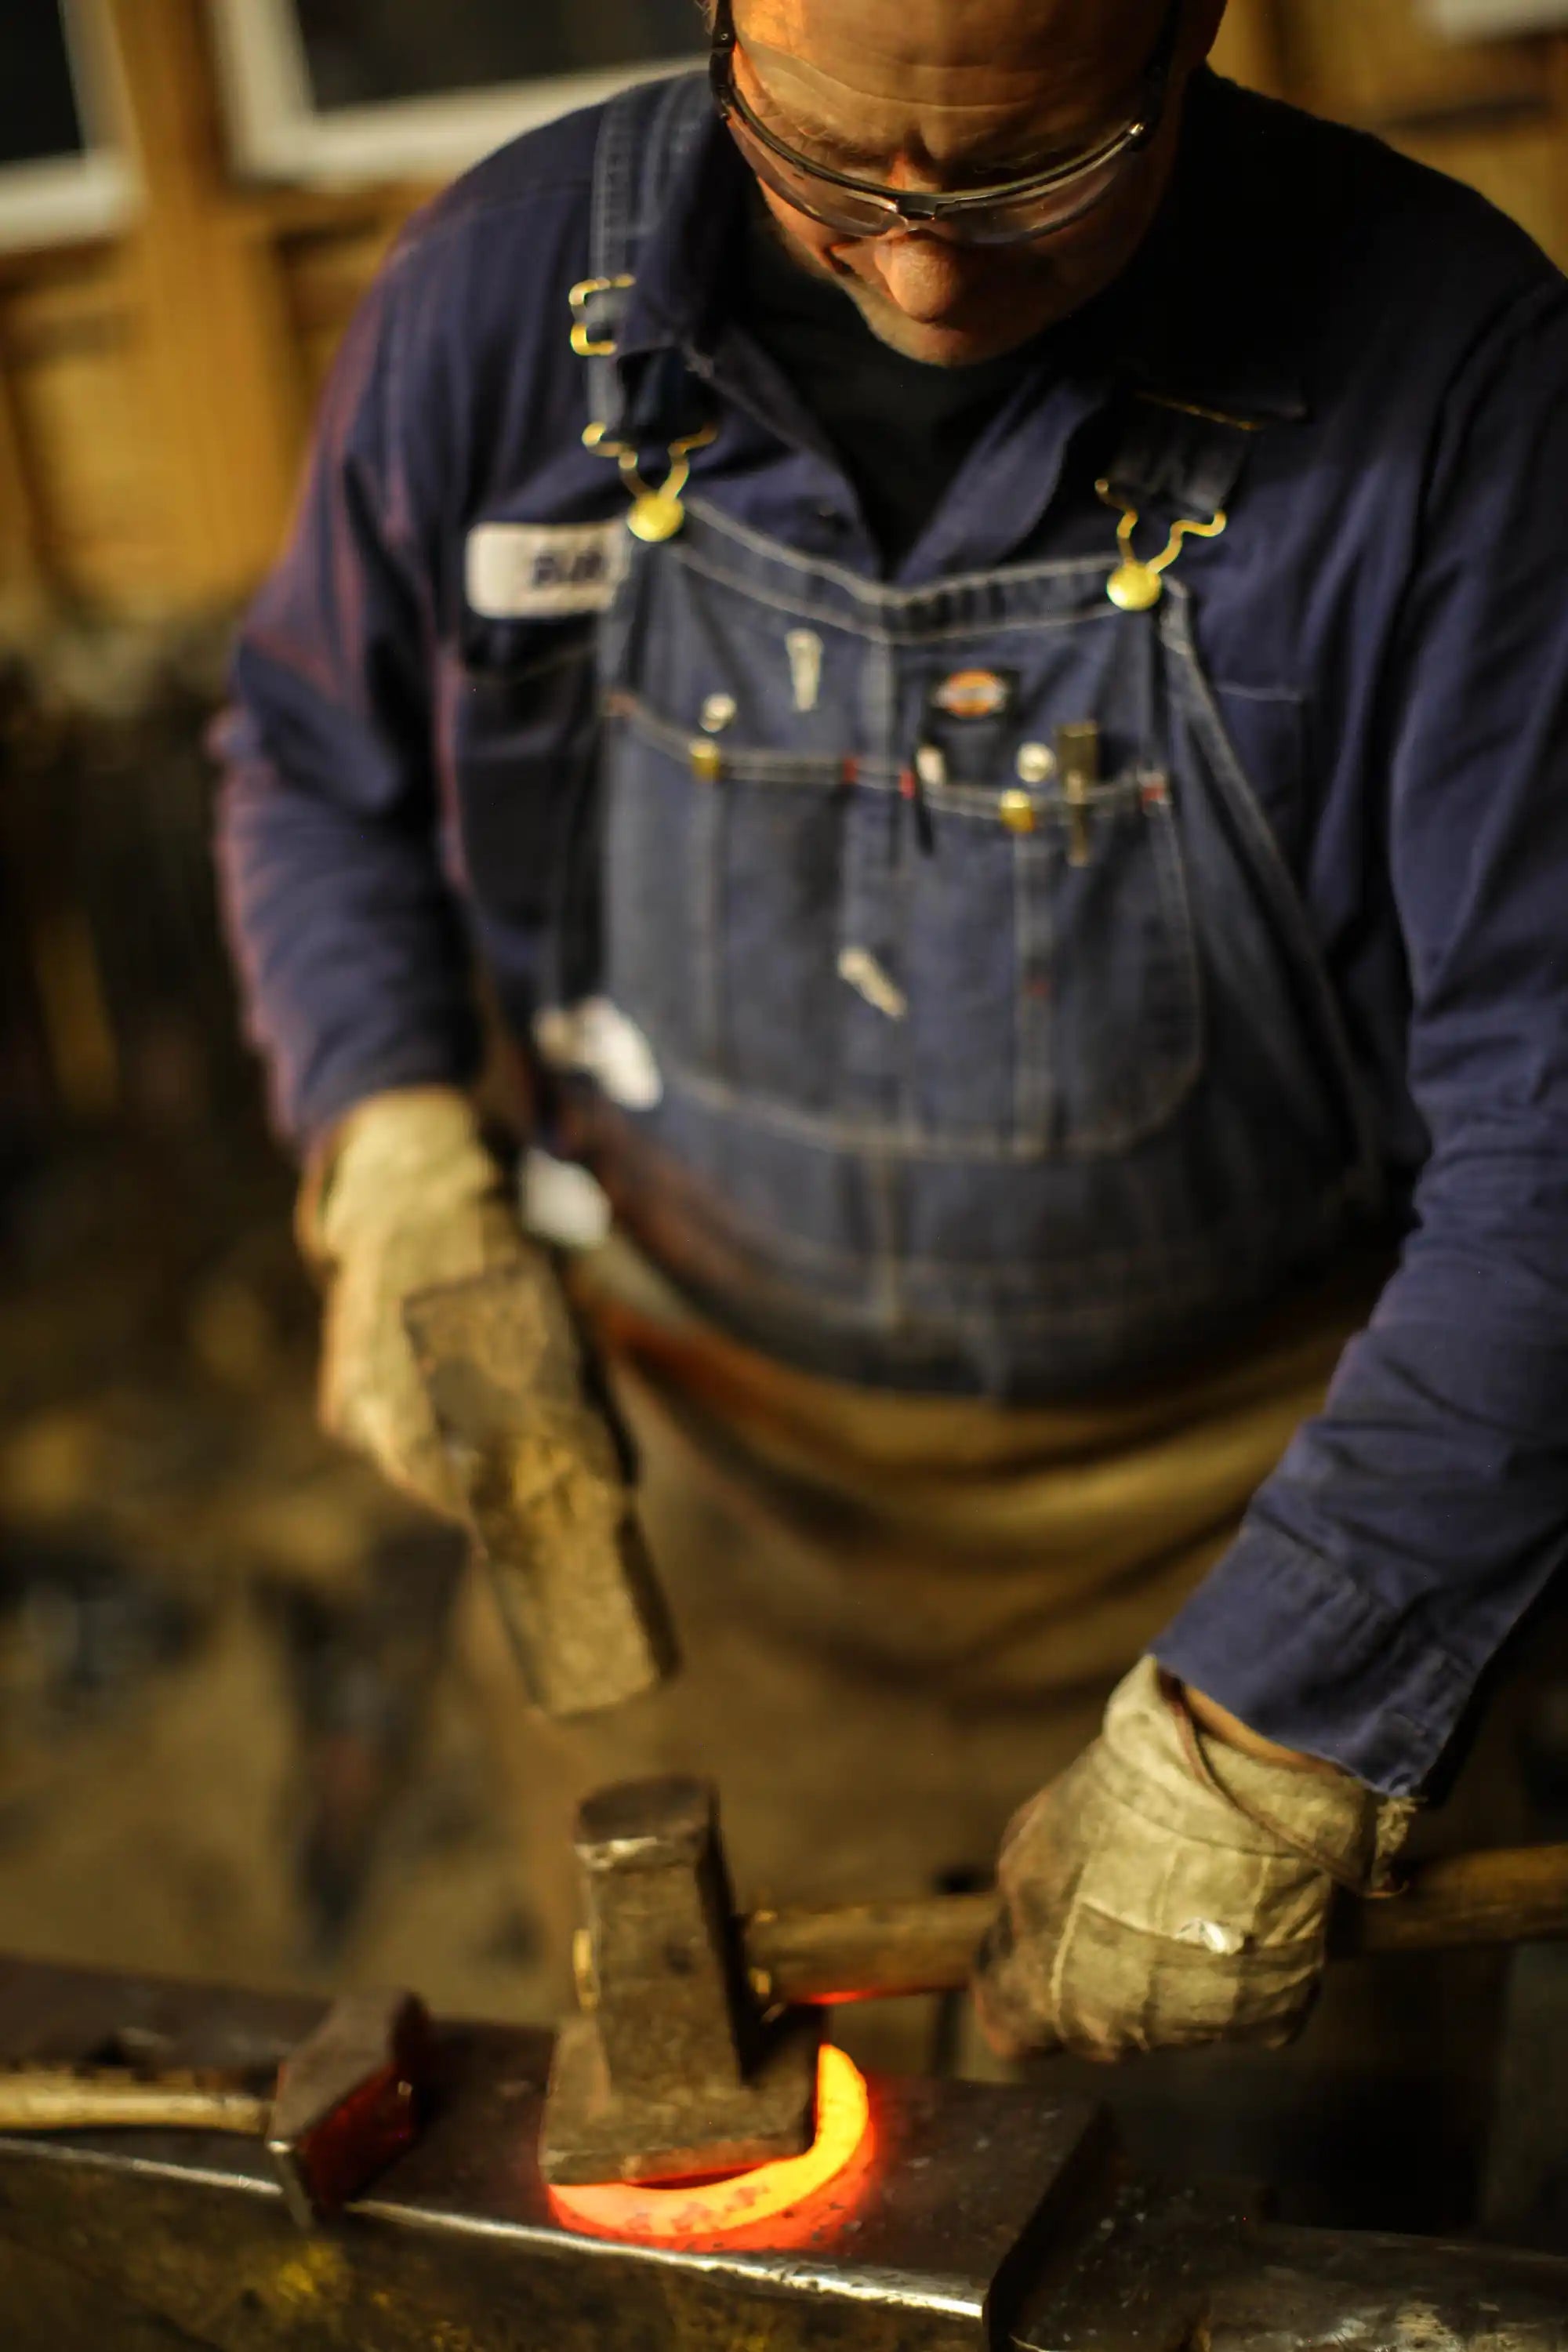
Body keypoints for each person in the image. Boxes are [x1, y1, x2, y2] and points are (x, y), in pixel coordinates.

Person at [216, 0, 1568, 2073]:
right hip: (716, 1518)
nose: (929, 270)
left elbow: (1555, 1134)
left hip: (1255, 1494)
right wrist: (390, 1134)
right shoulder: (500, 301)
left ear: (1191, 33)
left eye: (1040, 173)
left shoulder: (1460, 384)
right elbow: (317, 760)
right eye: (837, 171)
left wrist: (1296, 1701)